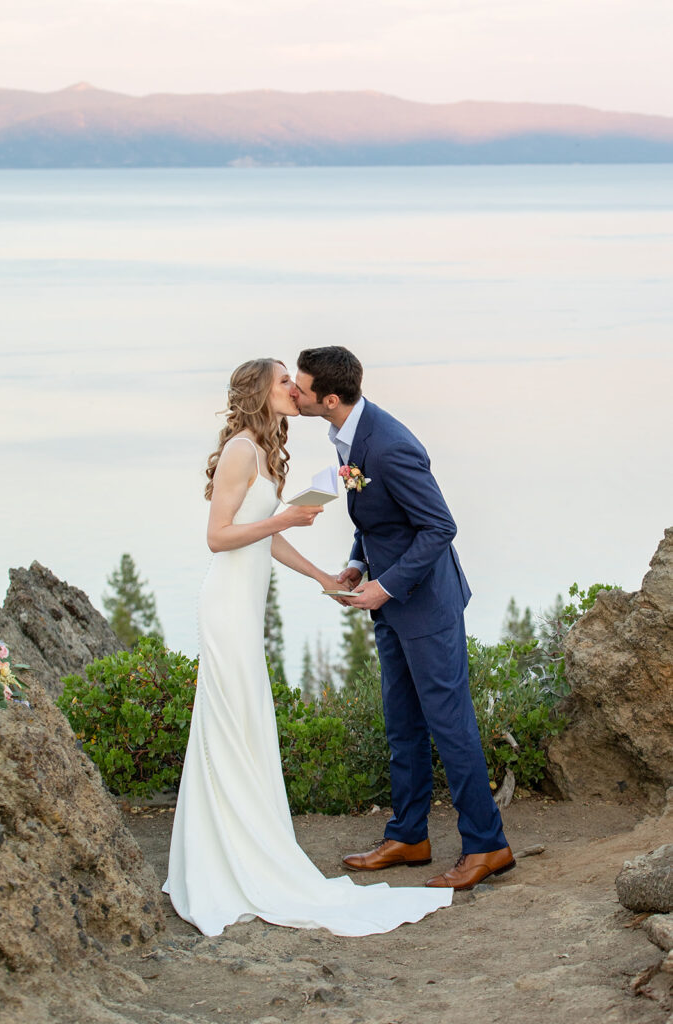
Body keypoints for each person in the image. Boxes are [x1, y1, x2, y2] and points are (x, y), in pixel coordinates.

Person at [162, 357, 453, 935]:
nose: (294, 389)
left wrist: (323, 576)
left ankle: (240, 845)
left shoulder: (263, 449)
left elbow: (264, 541)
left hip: (246, 607)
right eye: (283, 382)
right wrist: (284, 520)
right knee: (228, 724)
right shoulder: (242, 450)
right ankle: (225, 859)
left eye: (295, 382)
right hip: (224, 608)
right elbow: (219, 538)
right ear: (259, 393)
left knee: (245, 725)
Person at [294, 346, 515, 890]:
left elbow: (439, 527)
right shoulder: (348, 435)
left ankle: (489, 846)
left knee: (450, 725)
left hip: (425, 605)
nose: (293, 394)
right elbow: (378, 522)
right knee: (402, 722)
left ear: (329, 398)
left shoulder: (390, 446)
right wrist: (355, 564)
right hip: (387, 601)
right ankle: (408, 835)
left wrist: (386, 586)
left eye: (299, 387)